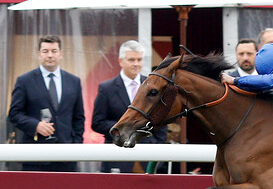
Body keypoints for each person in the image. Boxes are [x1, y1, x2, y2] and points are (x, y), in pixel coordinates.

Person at [8, 35, 86, 172]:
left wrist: (76, 144)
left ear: (61, 54)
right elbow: (14, 114)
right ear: (39, 54)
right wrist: (35, 125)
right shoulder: (24, 81)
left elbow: (78, 117)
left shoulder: (74, 81)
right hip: (35, 156)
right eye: (45, 51)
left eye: (54, 51)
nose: (50, 55)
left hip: (66, 157)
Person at [92, 40, 167, 173]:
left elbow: (161, 120)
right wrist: (125, 129)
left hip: (148, 157)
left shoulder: (153, 86)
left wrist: (156, 145)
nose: (136, 64)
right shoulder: (106, 89)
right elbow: (97, 122)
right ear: (121, 61)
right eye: (131, 60)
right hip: (117, 156)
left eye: (139, 59)